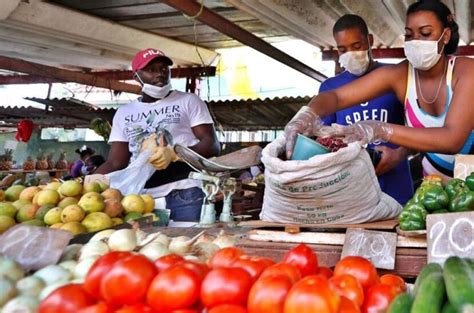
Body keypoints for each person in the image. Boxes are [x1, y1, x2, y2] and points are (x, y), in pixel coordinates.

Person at [285, 0, 473, 184]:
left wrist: (380, 129)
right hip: (436, 190)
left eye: (425, 33)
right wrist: (306, 116)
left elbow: (451, 140)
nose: (416, 42)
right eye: (409, 35)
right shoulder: (401, 75)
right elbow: (335, 96)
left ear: (445, 36)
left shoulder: (466, 71)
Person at [95, 48, 220, 221]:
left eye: (163, 69)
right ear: (136, 76)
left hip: (184, 191)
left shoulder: (188, 101)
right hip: (138, 197)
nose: (160, 74)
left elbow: (211, 145)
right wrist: (88, 180)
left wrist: (175, 153)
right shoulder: (124, 113)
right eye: (151, 70)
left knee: (184, 242)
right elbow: (116, 161)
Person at [320, 14, 413, 204]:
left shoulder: (397, 76)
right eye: (342, 49)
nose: (350, 54)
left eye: (356, 46)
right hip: (351, 191)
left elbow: (422, 129)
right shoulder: (330, 88)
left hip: (395, 188)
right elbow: (323, 139)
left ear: (369, 41)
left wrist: (400, 154)